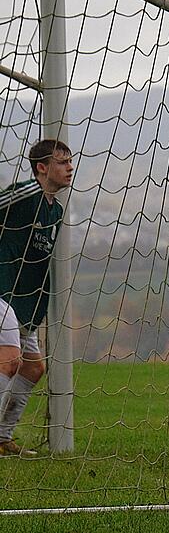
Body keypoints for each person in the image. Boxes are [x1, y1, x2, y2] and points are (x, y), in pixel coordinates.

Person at [0, 139, 73, 456]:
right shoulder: (25, 193)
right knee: (9, 360)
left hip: (25, 302)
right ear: (42, 167)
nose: (69, 167)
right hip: (2, 292)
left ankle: (3, 439)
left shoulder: (55, 209)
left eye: (70, 161)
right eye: (62, 162)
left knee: (32, 369)